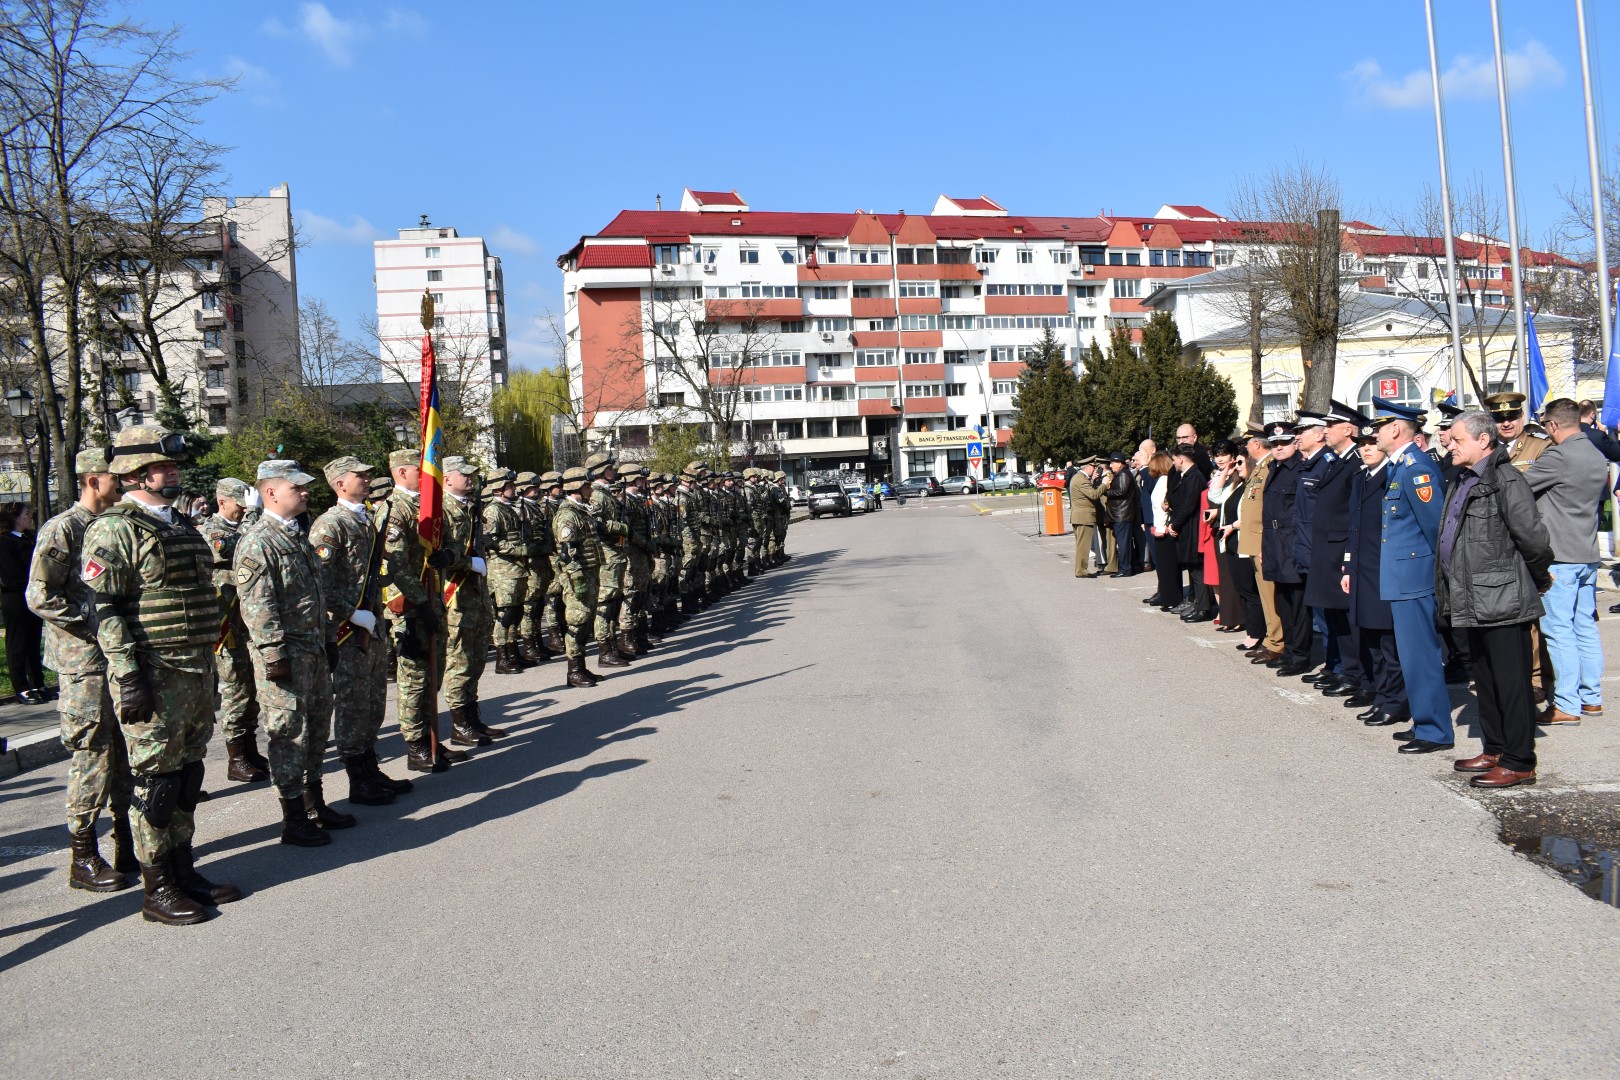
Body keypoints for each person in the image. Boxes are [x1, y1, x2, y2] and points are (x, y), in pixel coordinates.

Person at [83, 425, 236, 924]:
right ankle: (158, 887)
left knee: (188, 777)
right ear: (133, 475)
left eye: (172, 466)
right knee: (157, 783)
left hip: (194, 671)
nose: (172, 473)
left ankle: (184, 870)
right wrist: (128, 677)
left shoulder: (180, 525)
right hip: (153, 672)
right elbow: (104, 610)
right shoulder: (114, 529)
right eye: (161, 467)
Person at [26, 448, 135, 892]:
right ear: (92, 480)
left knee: (128, 749)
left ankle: (128, 841)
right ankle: (83, 855)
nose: (123, 482)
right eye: (115, 476)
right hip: (84, 663)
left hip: (119, 657)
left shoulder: (117, 523)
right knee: (94, 752)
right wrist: (92, 624)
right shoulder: (64, 528)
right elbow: (39, 595)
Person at [236, 459, 356, 846]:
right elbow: (258, 606)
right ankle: (293, 817)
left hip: (313, 650)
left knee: (317, 728)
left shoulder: (296, 535)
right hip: (285, 656)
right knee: (288, 734)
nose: (305, 492)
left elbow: (316, 596)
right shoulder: (259, 541)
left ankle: (313, 802)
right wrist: (274, 655)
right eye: (297, 488)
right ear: (271, 492)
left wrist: (328, 639)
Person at [1437, 410, 1554, 788]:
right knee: (1485, 679)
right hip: (1471, 596)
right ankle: (1496, 748)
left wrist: (1537, 577)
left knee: (1511, 681)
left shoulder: (1505, 478)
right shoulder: (1463, 477)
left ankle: (1520, 761)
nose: (1450, 446)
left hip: (1502, 597)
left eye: (1457, 440)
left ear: (1483, 441)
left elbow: (1532, 538)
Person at [308, 456, 412, 807]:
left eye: (368, 475)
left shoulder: (366, 518)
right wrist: (351, 613)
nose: (368, 479)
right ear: (340, 483)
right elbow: (320, 582)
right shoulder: (330, 525)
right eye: (360, 475)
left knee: (373, 702)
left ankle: (370, 768)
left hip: (372, 623)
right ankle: (358, 779)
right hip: (347, 630)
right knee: (353, 704)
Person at [1368, 398, 1454, 755]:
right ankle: (1423, 720)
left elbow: (1436, 528)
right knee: (1411, 656)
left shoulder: (1416, 468)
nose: (1374, 434)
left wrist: (1442, 577)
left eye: (1379, 427)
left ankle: (1435, 731)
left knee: (1421, 655)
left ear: (1395, 429)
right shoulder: (1400, 466)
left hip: (1415, 576)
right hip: (1403, 576)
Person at [1524, 398, 1609, 725]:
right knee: (1584, 627)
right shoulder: (1594, 454)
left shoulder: (1559, 456)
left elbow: (1519, 485)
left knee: (1559, 631)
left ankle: (1566, 705)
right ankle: (1591, 699)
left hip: (1559, 556)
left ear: (1553, 425)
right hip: (1587, 553)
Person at [380, 448, 463, 773]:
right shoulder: (393, 509)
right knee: (414, 678)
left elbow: (453, 541)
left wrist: (449, 556)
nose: (430, 473)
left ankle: (432, 738)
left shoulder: (430, 504)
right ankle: (416, 746)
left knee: (434, 673)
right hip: (409, 606)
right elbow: (396, 565)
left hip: (433, 601)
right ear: (402, 472)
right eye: (421, 468)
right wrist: (421, 602)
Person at [198, 478, 267, 783]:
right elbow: (242, 548)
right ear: (222, 502)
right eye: (240, 506)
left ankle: (249, 749)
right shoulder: (212, 531)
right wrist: (254, 515)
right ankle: (236, 758)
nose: (244, 511)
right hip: (226, 626)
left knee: (250, 689)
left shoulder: (240, 526)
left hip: (245, 621)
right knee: (236, 688)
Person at [1340, 425, 1409, 728]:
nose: (1366, 449)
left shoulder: (1392, 476)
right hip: (1362, 570)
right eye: (1361, 444)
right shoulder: (1361, 478)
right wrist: (1347, 565)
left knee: (1388, 643)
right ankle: (1381, 696)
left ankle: (1396, 702)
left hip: (1384, 570)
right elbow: (1353, 527)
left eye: (1371, 443)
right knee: (1371, 641)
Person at [1303, 402, 1365, 697]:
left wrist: (1347, 555)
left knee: (1346, 617)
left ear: (1349, 429)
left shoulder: (1356, 462)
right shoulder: (1338, 460)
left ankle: (1353, 673)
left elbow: (1353, 512)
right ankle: (1341, 667)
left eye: (1331, 425)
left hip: (1340, 550)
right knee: (1334, 616)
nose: (1325, 430)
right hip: (1327, 549)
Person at [441, 456, 500, 747]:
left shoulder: (471, 507)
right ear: (446, 479)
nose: (470, 478)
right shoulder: (440, 509)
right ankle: (459, 724)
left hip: (476, 595)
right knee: (459, 661)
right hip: (456, 596)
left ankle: (473, 718)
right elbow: (438, 554)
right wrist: (468, 563)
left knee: (476, 660)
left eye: (471, 474)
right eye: (463, 474)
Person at [1261, 422, 1308, 674]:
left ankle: (1300, 656)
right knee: (1282, 602)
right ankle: (1289, 650)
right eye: (1274, 443)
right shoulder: (1274, 468)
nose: (1279, 447)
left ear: (1294, 443)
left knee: (1297, 603)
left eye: (1284, 442)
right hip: (1274, 541)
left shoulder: (1300, 468)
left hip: (1291, 541)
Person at [554, 465, 603, 687]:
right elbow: (567, 553)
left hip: (590, 572)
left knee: (585, 622)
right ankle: (573, 671)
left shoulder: (581, 511)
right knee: (577, 623)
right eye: (587, 486)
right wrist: (577, 578)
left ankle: (581, 667)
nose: (590, 489)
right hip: (578, 576)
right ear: (577, 487)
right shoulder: (567, 515)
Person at [1240, 425, 1285, 664]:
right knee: (1265, 595)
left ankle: (1276, 641)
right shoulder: (1260, 466)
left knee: (1270, 595)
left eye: (1248, 443)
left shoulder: (1268, 467)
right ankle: (1271, 639)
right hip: (1254, 539)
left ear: (1256, 444)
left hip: (1261, 540)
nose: (1246, 448)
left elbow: (1267, 509)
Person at [482, 468, 529, 675]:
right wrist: (518, 550)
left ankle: (513, 652)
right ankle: (502, 658)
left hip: (517, 569)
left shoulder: (509, 508)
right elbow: (490, 540)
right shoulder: (493, 511)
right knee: (506, 614)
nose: (514, 489)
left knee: (516, 612)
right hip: (503, 571)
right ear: (499, 489)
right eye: (510, 486)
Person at [0, 503, 45, 703]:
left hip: (33, 594)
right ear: (15, 518)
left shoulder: (30, 538)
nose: (30, 517)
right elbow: (11, 573)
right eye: (26, 514)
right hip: (15, 596)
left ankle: (38, 683)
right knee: (17, 643)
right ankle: (21, 687)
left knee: (33, 641)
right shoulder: (4, 541)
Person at [1208, 440, 1248, 633]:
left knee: (1233, 578)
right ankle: (1230, 617)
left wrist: (1230, 471)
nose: (1220, 459)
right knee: (1226, 577)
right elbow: (1214, 495)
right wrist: (1224, 472)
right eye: (1217, 455)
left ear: (1233, 456)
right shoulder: (1226, 476)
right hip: (1224, 532)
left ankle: (1237, 618)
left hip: (1236, 532)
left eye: (1224, 455)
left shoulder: (1240, 477)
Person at [1167, 445, 1210, 620]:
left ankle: (1202, 608)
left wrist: (1175, 525)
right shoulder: (1187, 475)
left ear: (1181, 458)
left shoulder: (1194, 476)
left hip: (1193, 527)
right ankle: (1197, 604)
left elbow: (1188, 505)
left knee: (1197, 568)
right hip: (1187, 527)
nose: (1173, 463)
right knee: (1192, 569)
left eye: (1174, 459)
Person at [1144, 452, 1179, 609]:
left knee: (1167, 567)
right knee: (1163, 566)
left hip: (1163, 529)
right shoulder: (1162, 480)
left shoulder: (1165, 481)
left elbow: (1164, 507)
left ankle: (1171, 599)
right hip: (1159, 527)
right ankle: (1165, 596)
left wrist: (1161, 527)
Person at [1068, 458, 1106, 577]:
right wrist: (1104, 484)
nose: (1094, 470)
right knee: (1083, 546)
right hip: (1084, 517)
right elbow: (1093, 494)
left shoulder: (1079, 477)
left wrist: (1092, 480)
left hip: (1079, 516)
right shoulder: (1082, 480)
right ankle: (1081, 571)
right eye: (1093, 468)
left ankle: (1080, 569)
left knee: (1081, 545)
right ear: (1087, 467)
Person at [1104, 452, 1139, 577]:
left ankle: (1125, 569)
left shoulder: (1124, 474)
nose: (1110, 465)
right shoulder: (1121, 474)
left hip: (1122, 514)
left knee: (1123, 544)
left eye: (1112, 463)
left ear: (1119, 463)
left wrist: (1106, 491)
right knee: (1124, 543)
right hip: (1120, 513)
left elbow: (1121, 491)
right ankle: (1127, 567)